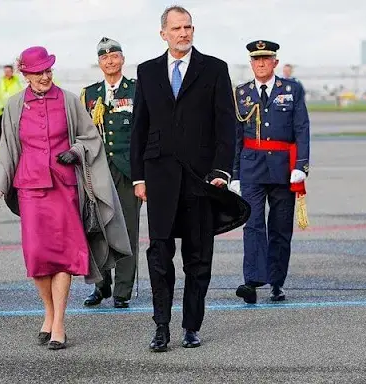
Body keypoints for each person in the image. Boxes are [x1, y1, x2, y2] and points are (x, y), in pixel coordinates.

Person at [0, 46, 131, 350]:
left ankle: (59, 324)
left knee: (64, 255)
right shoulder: (14, 105)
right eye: (38, 72)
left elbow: (90, 137)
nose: (45, 77)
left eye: (48, 70)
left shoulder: (67, 100)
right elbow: (9, 151)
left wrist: (76, 151)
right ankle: (49, 314)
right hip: (30, 190)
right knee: (38, 259)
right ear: (26, 74)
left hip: (64, 188)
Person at [130, 5, 245, 352]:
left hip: (201, 180)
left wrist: (222, 171)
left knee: (198, 257)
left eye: (189, 27)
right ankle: (161, 326)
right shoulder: (147, 72)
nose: (184, 33)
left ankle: (191, 325)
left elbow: (227, 125)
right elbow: (139, 129)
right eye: (177, 28)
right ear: (163, 33)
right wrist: (138, 177)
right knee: (159, 253)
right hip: (160, 175)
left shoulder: (214, 69)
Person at [230, 40, 310, 304]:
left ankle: (276, 282)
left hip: (282, 168)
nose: (261, 63)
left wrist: (301, 167)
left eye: (266, 59)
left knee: (279, 227)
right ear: (251, 63)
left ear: (275, 62)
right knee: (252, 225)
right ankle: (252, 281)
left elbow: (302, 129)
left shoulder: (291, 89)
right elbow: (236, 137)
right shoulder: (240, 93)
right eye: (256, 59)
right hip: (251, 166)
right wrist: (235, 174)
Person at [81, 37, 141, 309]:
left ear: (122, 60)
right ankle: (101, 285)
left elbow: (145, 134)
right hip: (98, 171)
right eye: (104, 58)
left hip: (128, 172)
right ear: (99, 62)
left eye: (114, 56)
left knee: (127, 230)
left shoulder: (137, 91)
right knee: (98, 228)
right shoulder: (90, 94)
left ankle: (123, 291)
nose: (110, 61)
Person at [0, 65, 25, 163]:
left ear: (12, 71)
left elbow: (21, 95)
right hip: (1, 113)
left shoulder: (18, 82)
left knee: (16, 134)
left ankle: (16, 155)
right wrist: (1, 105)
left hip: (14, 112)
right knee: (0, 134)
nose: (7, 73)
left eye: (9, 71)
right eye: (5, 71)